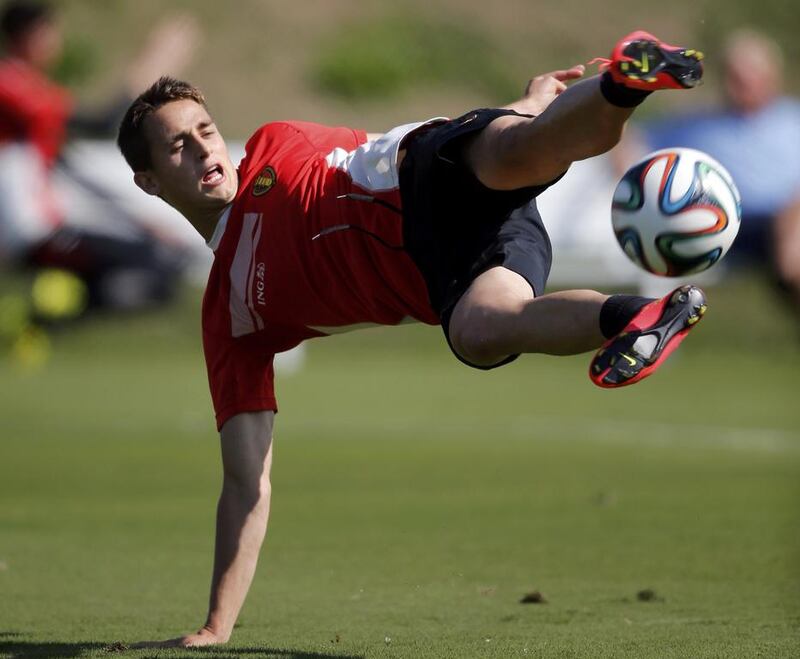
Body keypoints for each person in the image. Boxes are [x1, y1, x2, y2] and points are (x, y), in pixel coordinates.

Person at [118, 30, 708, 648]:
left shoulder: (271, 144)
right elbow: (245, 482)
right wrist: (215, 627)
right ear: (150, 182)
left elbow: (464, 137)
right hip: (446, 268)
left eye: (206, 130)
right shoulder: (232, 318)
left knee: (527, 147)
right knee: (483, 332)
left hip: (419, 173)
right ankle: (641, 316)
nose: (203, 149)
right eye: (178, 146)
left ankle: (628, 78)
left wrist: (529, 105)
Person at [0, 0, 198, 320]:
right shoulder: (12, 86)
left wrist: (140, 220)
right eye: (51, 32)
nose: (56, 41)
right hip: (27, 229)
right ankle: (34, 323)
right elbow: (103, 122)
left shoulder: (30, 91)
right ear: (30, 35)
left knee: (158, 264)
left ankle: (40, 321)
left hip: (40, 225)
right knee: (154, 264)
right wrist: (152, 65)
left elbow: (67, 167)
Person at [631, 29, 800, 308]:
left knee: (793, 215)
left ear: (771, 76)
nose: (741, 85)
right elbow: (633, 138)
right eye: (734, 77)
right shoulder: (697, 125)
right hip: (718, 223)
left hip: (784, 222)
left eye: (750, 76)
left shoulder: (792, 119)